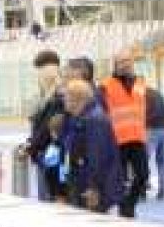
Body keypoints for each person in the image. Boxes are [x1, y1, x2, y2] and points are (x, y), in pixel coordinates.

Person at [60, 79, 124, 216]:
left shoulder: (94, 120)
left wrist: (94, 188)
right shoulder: (80, 118)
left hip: (94, 187)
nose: (63, 100)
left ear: (76, 99)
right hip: (81, 181)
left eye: (65, 97)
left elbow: (98, 157)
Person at [100, 54, 150, 219]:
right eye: (121, 62)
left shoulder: (141, 83)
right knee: (118, 178)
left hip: (137, 138)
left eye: (128, 61)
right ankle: (123, 206)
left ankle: (129, 203)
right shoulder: (106, 86)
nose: (125, 64)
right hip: (117, 139)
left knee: (143, 175)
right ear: (115, 65)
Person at [23, 50, 66, 202]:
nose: (38, 78)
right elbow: (38, 125)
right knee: (46, 197)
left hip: (51, 154)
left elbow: (47, 127)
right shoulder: (43, 97)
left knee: (51, 198)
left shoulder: (58, 97)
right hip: (43, 152)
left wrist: (31, 146)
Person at [144, 82, 164, 201]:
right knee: (162, 161)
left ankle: (141, 189)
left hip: (153, 129)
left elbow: (149, 114)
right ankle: (163, 191)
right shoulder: (157, 93)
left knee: (143, 160)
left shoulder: (141, 95)